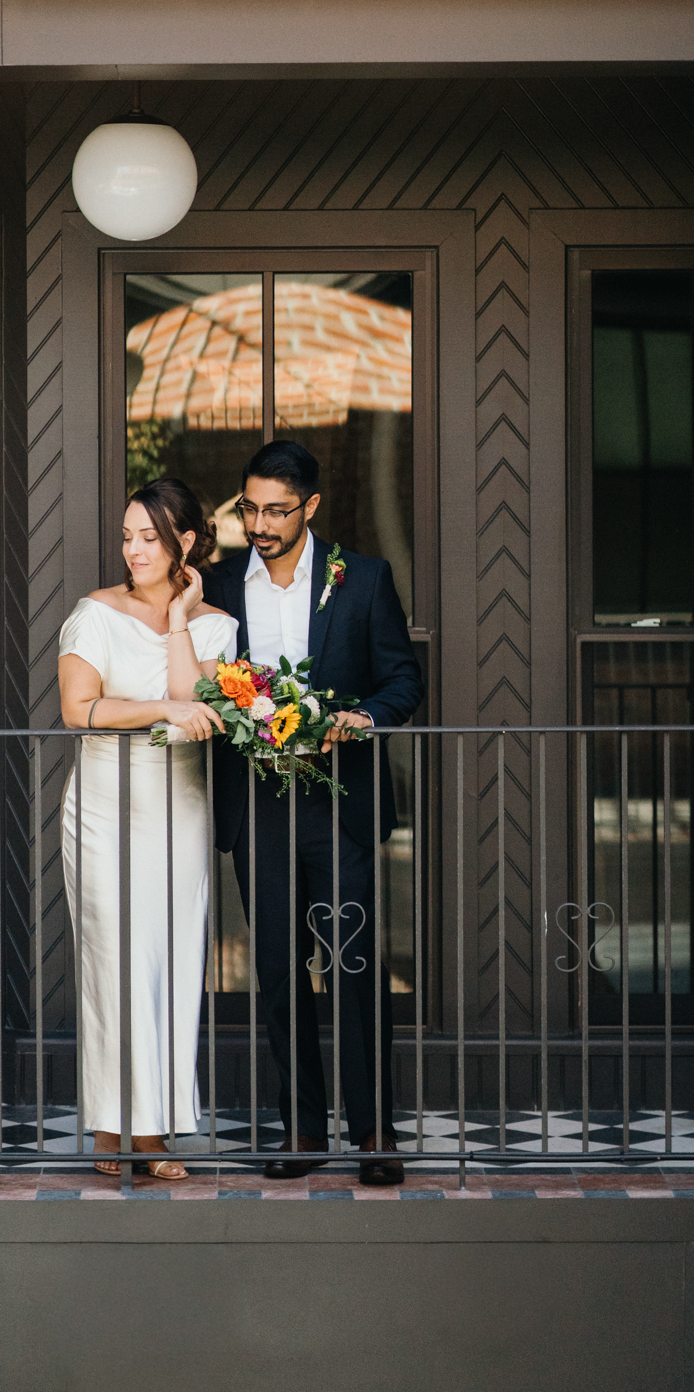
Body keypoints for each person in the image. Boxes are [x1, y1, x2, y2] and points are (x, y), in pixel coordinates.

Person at [202, 440, 424, 1185]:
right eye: (250, 508)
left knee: (354, 965)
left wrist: (361, 719)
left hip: (342, 806)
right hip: (257, 803)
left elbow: (402, 680)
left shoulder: (361, 579)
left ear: (311, 507)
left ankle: (373, 1132)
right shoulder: (220, 584)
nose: (260, 524)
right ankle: (299, 1126)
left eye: (276, 510)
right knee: (276, 968)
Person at [58, 478, 237, 1179]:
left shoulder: (216, 626)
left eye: (149, 537)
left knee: (169, 960)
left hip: (179, 810)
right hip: (102, 807)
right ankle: (127, 1131)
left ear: (184, 544)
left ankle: (140, 1127)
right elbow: (80, 710)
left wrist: (180, 622)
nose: (133, 549)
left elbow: (197, 709)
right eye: (128, 535)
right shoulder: (92, 615)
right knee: (113, 962)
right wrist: (159, 708)